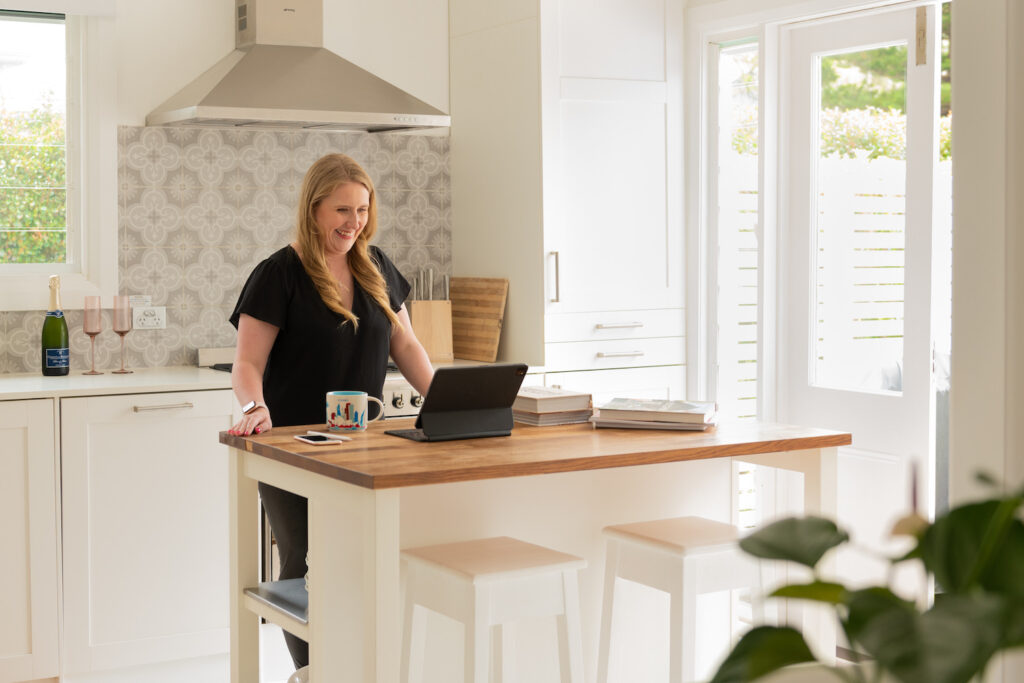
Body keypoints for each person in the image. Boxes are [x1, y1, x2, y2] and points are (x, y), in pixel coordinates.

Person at [227, 153, 434, 670]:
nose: (354, 222)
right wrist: (255, 406)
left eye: (362, 210)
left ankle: (356, 665)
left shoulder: (378, 265)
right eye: (343, 209)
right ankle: (312, 673)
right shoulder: (279, 274)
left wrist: (444, 397)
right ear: (313, 207)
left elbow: (406, 345)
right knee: (304, 561)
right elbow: (247, 363)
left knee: (360, 558)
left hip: (366, 445)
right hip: (293, 447)